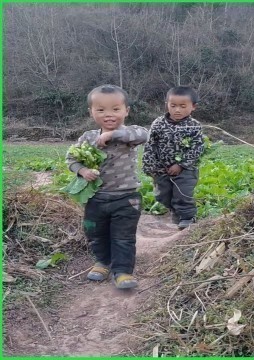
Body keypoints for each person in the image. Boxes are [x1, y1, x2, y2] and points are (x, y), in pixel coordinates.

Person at [66, 84, 149, 289]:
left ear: (126, 111)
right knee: (95, 233)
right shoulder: (87, 138)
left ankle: (122, 271)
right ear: (91, 112)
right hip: (96, 198)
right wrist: (83, 171)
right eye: (101, 110)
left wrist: (113, 135)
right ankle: (102, 262)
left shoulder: (130, 135)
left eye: (115, 109)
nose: (108, 115)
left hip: (126, 198)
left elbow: (145, 134)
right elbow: (71, 158)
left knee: (123, 237)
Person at [142, 86, 204, 230]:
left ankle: (188, 217)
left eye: (183, 106)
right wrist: (150, 168)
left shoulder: (194, 126)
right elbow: (150, 145)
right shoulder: (158, 123)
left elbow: (197, 148)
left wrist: (181, 165)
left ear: (193, 107)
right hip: (161, 169)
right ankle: (176, 213)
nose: (177, 110)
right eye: (173, 105)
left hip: (186, 170)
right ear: (167, 105)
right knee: (162, 195)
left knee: (183, 194)